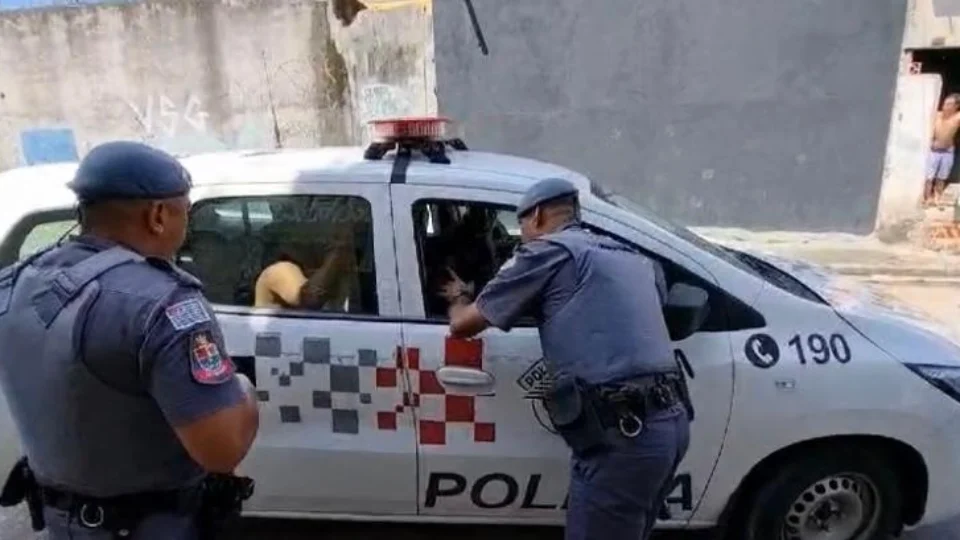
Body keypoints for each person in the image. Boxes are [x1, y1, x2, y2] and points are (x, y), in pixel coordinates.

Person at [0, 141, 260, 539]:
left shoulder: (14, 283)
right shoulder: (164, 304)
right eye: (185, 211)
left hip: (63, 524)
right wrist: (244, 390)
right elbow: (222, 450)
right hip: (152, 526)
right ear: (157, 216)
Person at [438, 177, 691, 540]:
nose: (523, 237)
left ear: (536, 216)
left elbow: (463, 325)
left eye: (522, 226)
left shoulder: (545, 252)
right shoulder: (630, 256)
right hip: (670, 425)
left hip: (622, 437)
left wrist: (459, 296)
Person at [924, 93, 960, 206]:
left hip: (947, 151)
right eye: (945, 103)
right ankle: (927, 198)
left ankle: (937, 198)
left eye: (949, 104)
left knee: (942, 177)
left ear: (956, 107)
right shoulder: (937, 115)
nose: (945, 106)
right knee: (929, 176)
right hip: (934, 150)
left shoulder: (957, 117)